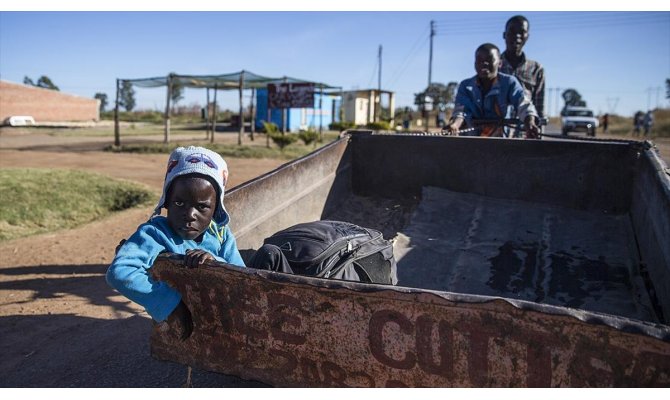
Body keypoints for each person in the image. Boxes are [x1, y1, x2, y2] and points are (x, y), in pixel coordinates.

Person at [106, 146, 245, 339]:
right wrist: (170, 303)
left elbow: (242, 275)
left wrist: (216, 262)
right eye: (179, 203)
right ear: (167, 202)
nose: (190, 215)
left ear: (215, 210)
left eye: (202, 207)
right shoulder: (154, 233)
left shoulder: (220, 234)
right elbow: (120, 271)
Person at [445, 43, 540, 138]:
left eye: (489, 60)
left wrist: (530, 122)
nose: (484, 63)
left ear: (500, 63)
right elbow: (461, 111)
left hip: (500, 142)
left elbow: (523, 104)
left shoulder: (509, 83)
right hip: (471, 141)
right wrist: (455, 125)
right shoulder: (465, 86)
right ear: (475, 64)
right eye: (480, 60)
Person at [500, 15, 545, 125]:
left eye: (522, 32)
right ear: (504, 35)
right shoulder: (492, 67)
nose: (517, 36)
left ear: (527, 36)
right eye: (512, 31)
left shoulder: (536, 69)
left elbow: (539, 108)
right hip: (497, 132)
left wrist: (537, 134)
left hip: (525, 133)